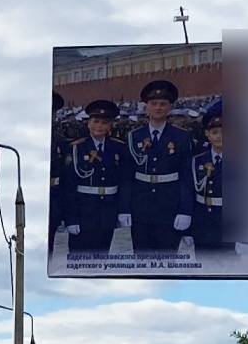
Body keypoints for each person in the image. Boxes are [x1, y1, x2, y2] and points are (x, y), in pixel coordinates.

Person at [123, 78, 194, 254]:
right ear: (146, 106)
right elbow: (126, 176)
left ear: (170, 107)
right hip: (140, 205)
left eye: (163, 104)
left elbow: (186, 177)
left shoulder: (182, 137)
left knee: (167, 257)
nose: (158, 108)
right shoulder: (134, 136)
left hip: (169, 204)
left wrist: (185, 210)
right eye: (153, 103)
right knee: (141, 257)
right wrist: (124, 208)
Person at [58, 99, 126, 258]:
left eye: (104, 122)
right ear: (88, 123)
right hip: (83, 212)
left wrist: (122, 211)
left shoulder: (118, 148)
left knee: (102, 257)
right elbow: (68, 186)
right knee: (78, 259)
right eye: (95, 121)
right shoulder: (76, 148)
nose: (99, 126)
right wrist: (71, 218)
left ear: (110, 126)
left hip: (108, 211)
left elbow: (123, 181)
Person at [188, 100, 230, 255]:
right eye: (215, 132)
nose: (220, 136)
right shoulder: (197, 161)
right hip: (203, 223)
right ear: (207, 134)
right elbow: (191, 194)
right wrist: (189, 230)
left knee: (230, 269)